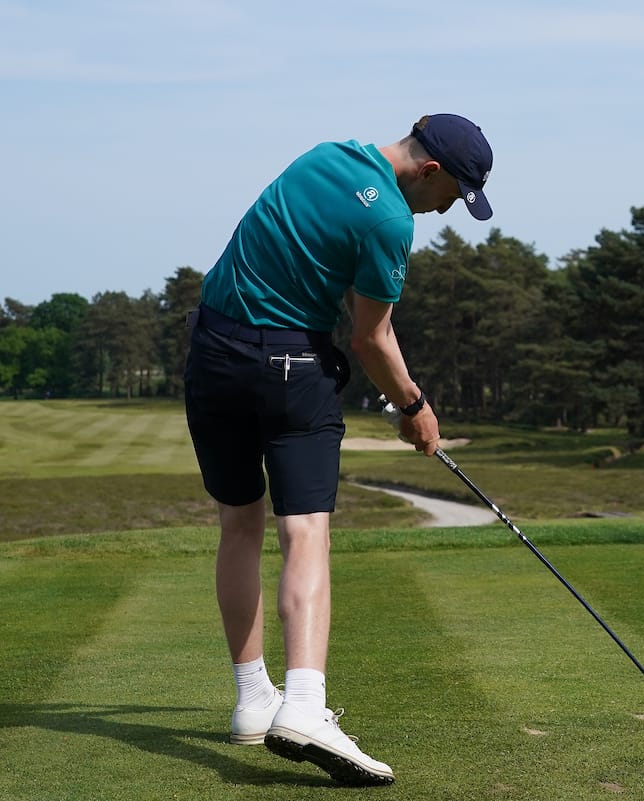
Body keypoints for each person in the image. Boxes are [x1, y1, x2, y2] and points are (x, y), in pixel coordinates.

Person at [184, 114, 494, 786]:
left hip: (211, 352)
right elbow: (370, 338)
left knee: (239, 522)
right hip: (291, 367)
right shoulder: (392, 222)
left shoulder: (324, 156)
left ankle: (252, 699)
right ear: (429, 170)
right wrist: (414, 407)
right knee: (305, 532)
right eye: (452, 195)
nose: (446, 210)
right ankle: (304, 704)